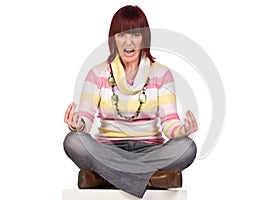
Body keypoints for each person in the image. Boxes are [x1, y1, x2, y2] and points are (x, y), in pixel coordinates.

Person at [63, 5, 198, 198]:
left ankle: (104, 178)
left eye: (135, 35)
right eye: (121, 35)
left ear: (145, 38)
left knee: (186, 147)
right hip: (108, 150)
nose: (129, 42)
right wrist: (78, 124)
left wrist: (181, 131)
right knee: (73, 141)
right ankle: (151, 179)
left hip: (150, 150)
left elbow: (170, 123)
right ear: (113, 39)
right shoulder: (97, 73)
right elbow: (85, 119)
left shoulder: (161, 73)